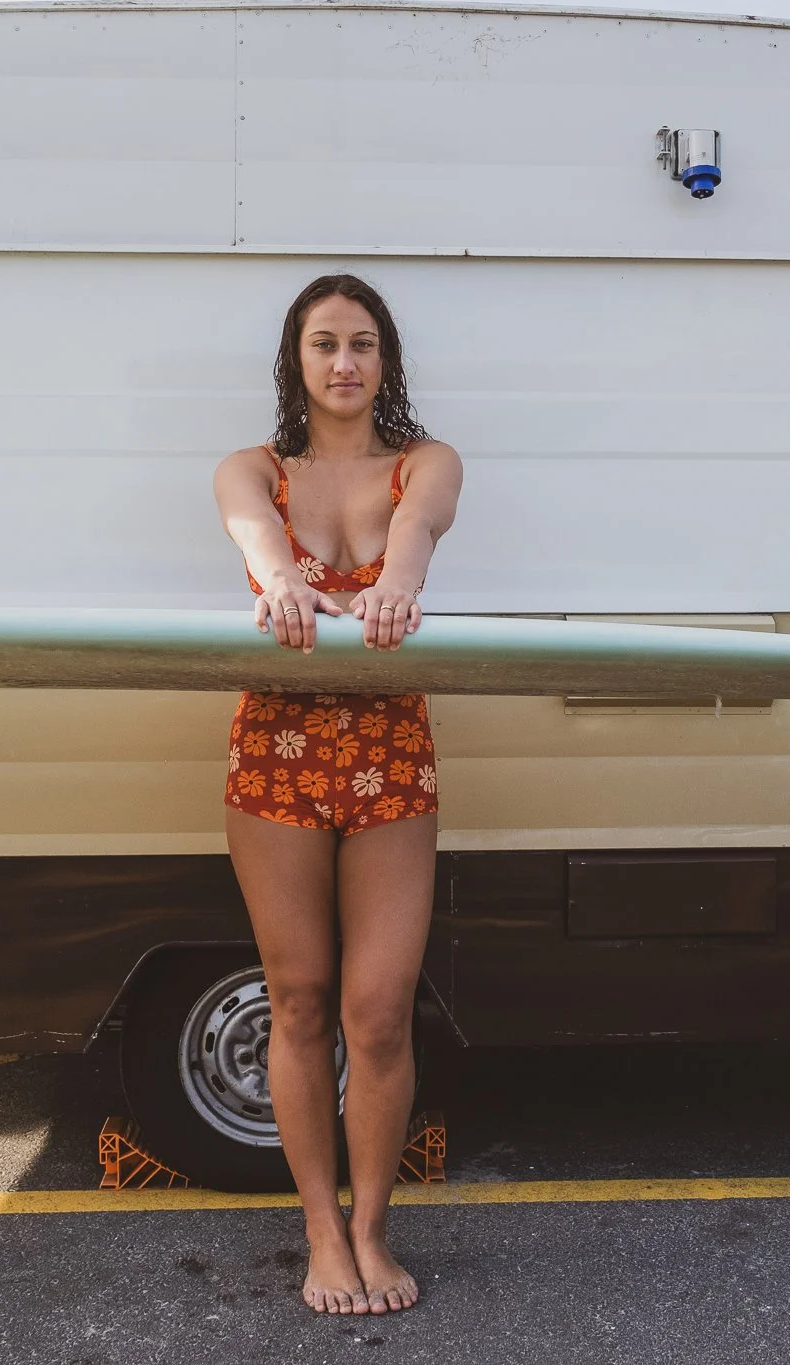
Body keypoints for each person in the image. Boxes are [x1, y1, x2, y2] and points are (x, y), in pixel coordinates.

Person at [212, 275, 463, 1315]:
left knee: (377, 1010)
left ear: (385, 361)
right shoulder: (248, 470)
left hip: (389, 755)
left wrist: (396, 581)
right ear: (296, 361)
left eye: (362, 344)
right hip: (274, 753)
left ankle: (372, 1228)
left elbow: (414, 537)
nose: (344, 363)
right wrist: (277, 580)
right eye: (323, 344)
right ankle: (320, 1233)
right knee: (302, 999)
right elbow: (255, 540)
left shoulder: (426, 464)